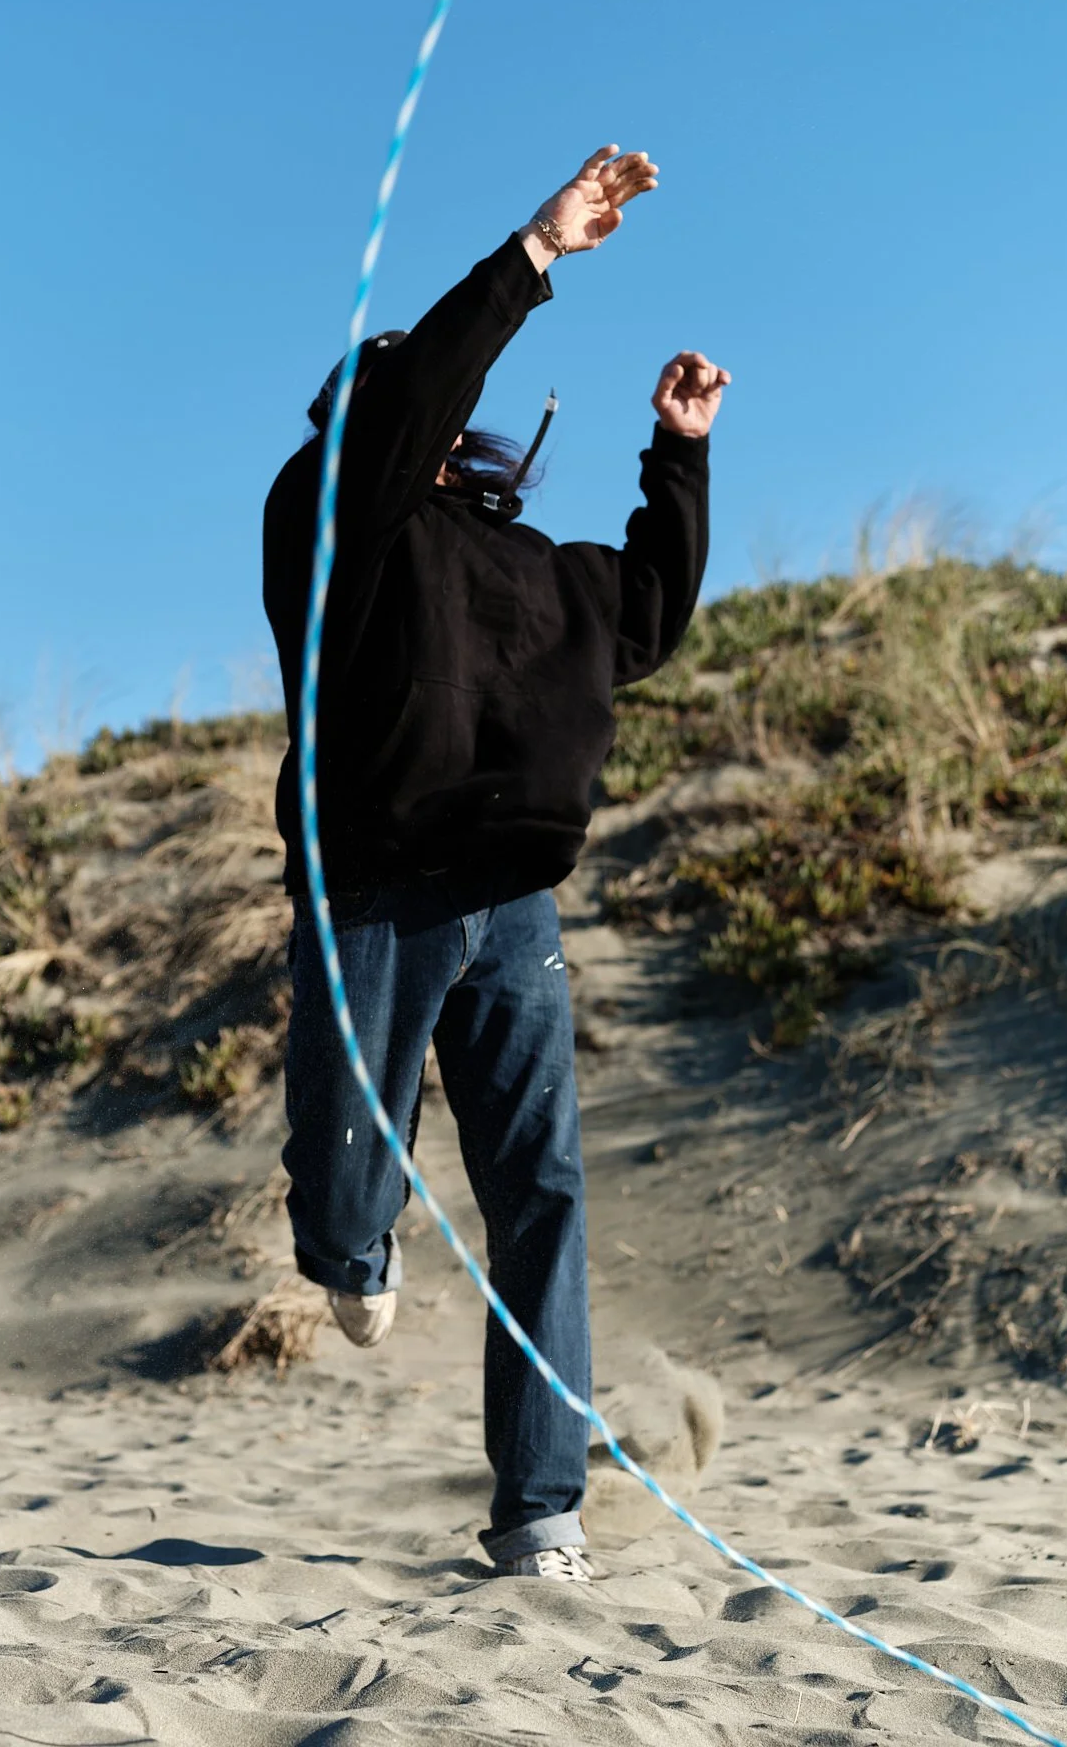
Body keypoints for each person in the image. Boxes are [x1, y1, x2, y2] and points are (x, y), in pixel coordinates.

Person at [262, 145, 729, 1581]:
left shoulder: (536, 568)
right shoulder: (333, 524)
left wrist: (679, 453)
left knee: (544, 1197)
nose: (451, 426)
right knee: (346, 1206)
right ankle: (353, 1253)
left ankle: (542, 1510)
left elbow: (644, 613)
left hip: (513, 903)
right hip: (376, 895)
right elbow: (408, 415)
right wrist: (533, 253)